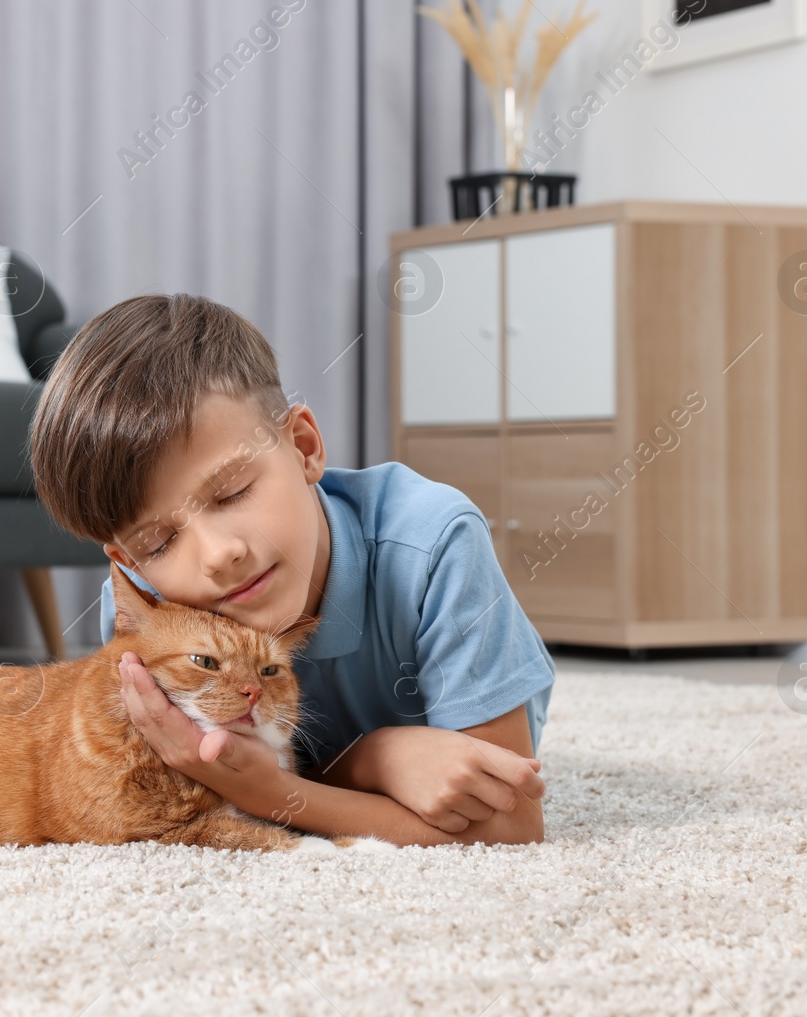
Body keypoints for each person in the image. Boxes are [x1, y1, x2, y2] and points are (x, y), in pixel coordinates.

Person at [28, 293, 554, 845]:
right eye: (158, 543)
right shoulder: (144, 608)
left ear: (303, 446)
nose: (217, 554)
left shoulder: (434, 544)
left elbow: (511, 825)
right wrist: (366, 765)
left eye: (232, 493)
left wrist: (277, 793)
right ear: (128, 564)